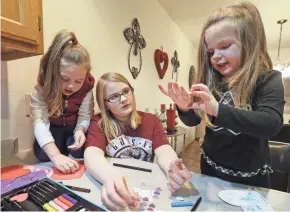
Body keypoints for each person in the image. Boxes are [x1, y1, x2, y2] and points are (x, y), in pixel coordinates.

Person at [159, 2, 285, 188]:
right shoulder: (213, 81)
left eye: (224, 46)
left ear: (249, 43)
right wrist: (185, 107)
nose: (215, 56)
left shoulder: (268, 79)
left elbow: (270, 123)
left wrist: (218, 109)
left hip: (250, 180)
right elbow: (193, 120)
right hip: (211, 172)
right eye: (211, 51)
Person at [84, 73, 192, 211]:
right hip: (117, 189)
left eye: (126, 91)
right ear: (105, 104)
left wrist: (172, 167)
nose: (123, 99)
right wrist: (111, 178)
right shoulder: (98, 123)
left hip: (147, 190)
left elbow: (164, 150)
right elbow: (92, 154)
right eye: (113, 97)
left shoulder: (152, 120)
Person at [31, 29, 95, 174]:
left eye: (78, 81)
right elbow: (39, 121)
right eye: (64, 79)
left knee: (80, 150)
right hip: (53, 127)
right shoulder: (42, 85)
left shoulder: (87, 87)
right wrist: (55, 156)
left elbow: (85, 115)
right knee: (42, 153)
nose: (71, 86)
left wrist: (80, 130)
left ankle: (72, 142)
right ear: (53, 73)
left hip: (74, 127)